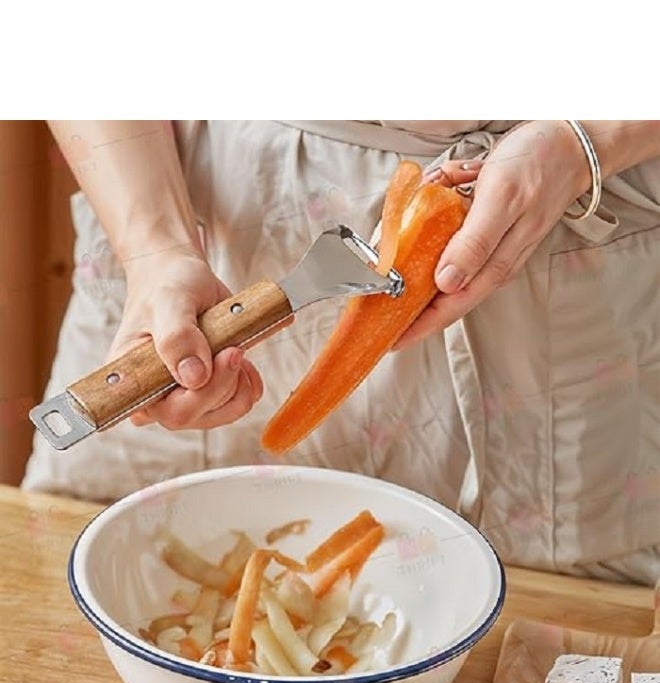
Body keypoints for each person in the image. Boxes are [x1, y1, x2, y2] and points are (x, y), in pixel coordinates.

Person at [23, 120, 660, 585]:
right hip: (201, 199)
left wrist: (586, 139)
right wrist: (156, 253)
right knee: (120, 582)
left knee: (553, 637)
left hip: (575, 207)